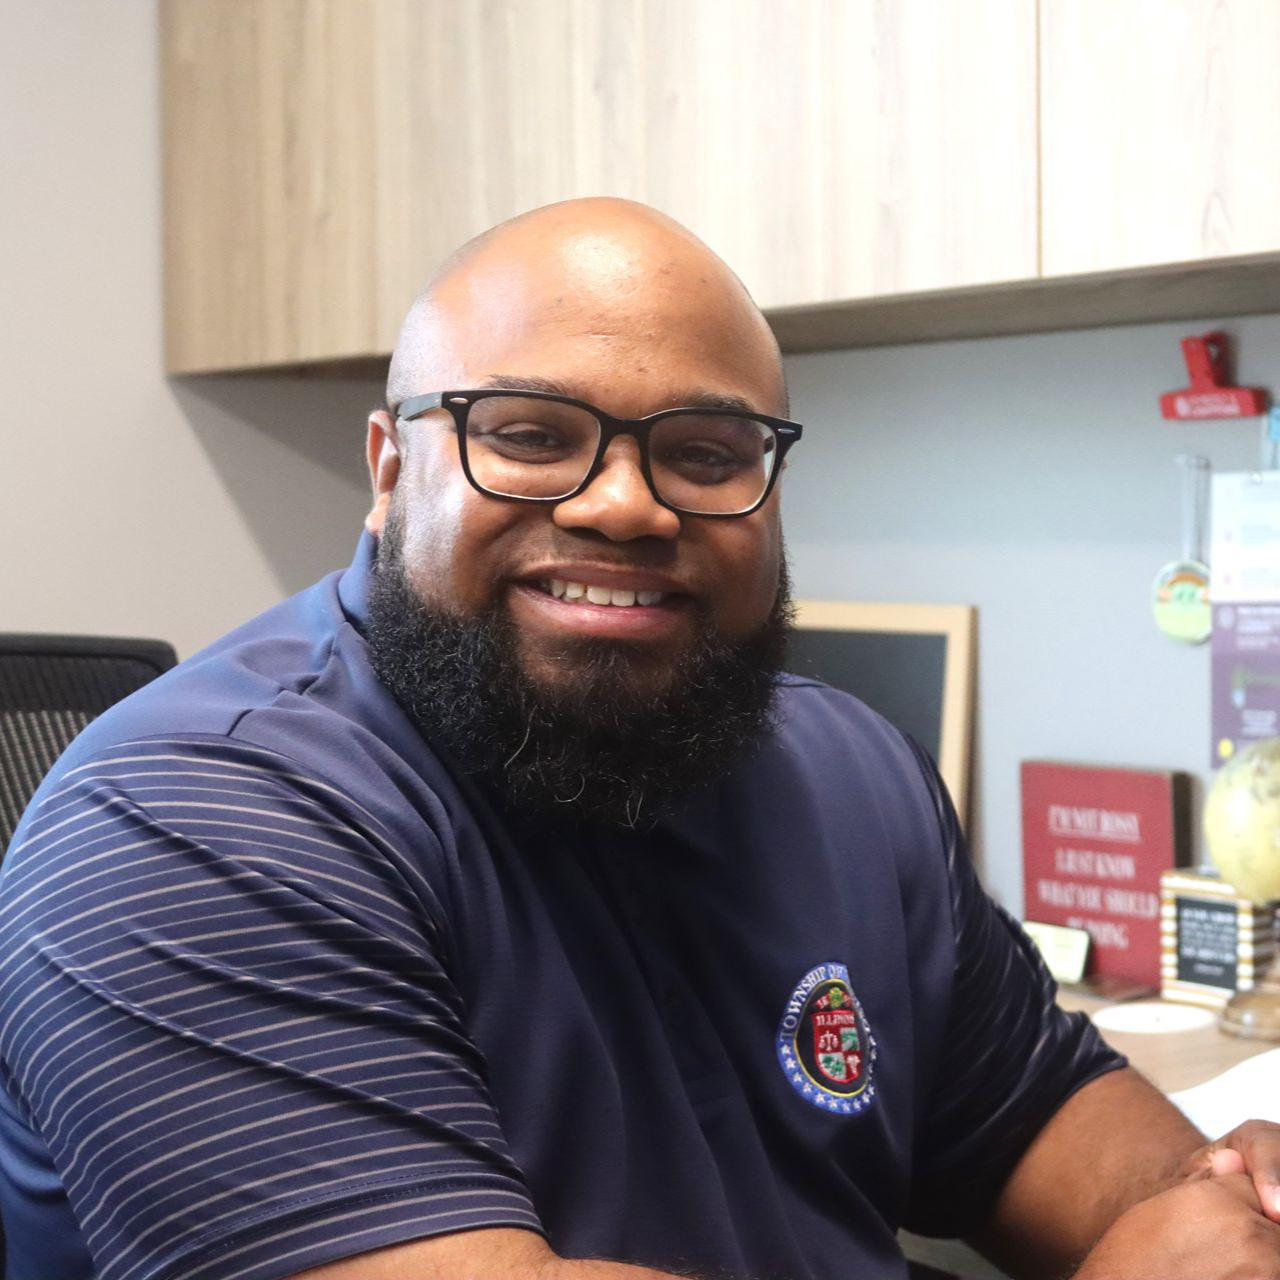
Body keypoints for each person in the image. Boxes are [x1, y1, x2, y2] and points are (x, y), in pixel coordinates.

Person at [1, 198, 1278, 1280]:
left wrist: (1208, 1200)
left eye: (706, 451)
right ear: (390, 472)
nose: (623, 502)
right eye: (527, 432)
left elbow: (1045, 1126)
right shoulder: (182, 820)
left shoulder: (849, 773)